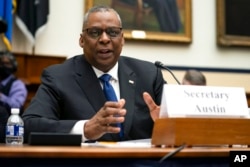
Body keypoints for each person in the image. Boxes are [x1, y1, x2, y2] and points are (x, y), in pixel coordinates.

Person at [22, 5, 164, 143]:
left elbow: (180, 124)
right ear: (82, 40)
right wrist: (85, 129)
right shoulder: (58, 77)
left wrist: (168, 123)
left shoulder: (150, 75)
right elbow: (29, 125)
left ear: (122, 39)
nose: (104, 39)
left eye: (112, 32)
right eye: (95, 32)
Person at [0, 51, 28, 142]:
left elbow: (16, 106)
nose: (3, 66)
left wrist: (1, 97)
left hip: (9, 130)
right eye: (1, 63)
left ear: (13, 66)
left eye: (6, 63)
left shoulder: (18, 84)